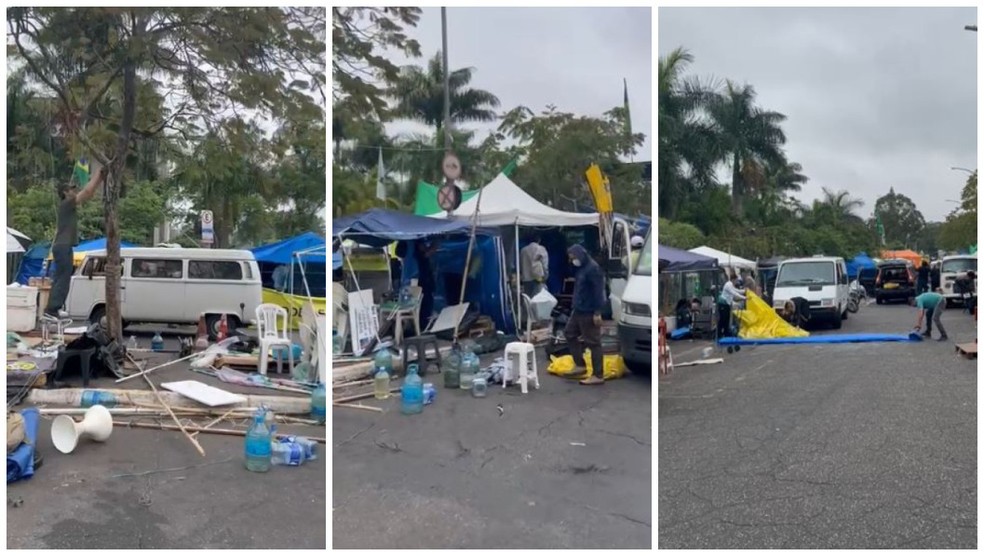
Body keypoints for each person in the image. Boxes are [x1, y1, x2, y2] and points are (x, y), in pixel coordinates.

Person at [45, 165, 107, 319]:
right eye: (71, 190)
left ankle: (53, 308)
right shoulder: (67, 204)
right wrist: (99, 176)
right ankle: (53, 309)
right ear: (65, 193)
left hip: (62, 246)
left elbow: (88, 193)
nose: (74, 192)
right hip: (63, 246)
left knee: (61, 277)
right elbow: (87, 192)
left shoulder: (67, 206)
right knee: (63, 278)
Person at [565, 244, 606, 386]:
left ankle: (598, 375)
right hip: (578, 309)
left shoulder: (593, 269)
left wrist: (597, 312)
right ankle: (580, 365)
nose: (572, 260)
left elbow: (598, 292)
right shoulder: (581, 268)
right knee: (569, 333)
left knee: (593, 342)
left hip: (589, 310)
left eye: (574, 257)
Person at [414, 240, 439, 331]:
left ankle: (424, 325)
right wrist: (436, 243)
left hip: (425, 282)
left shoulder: (419, 255)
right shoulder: (419, 256)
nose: (425, 246)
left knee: (426, 305)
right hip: (423, 283)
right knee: (425, 305)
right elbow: (429, 252)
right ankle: (423, 325)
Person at [716, 274, 746, 338]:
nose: (737, 282)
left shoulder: (731, 285)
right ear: (733, 279)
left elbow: (736, 290)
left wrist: (744, 291)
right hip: (723, 304)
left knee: (727, 319)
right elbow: (734, 293)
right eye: (736, 280)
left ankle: (726, 333)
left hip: (727, 304)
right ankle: (719, 334)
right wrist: (744, 298)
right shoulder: (728, 285)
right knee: (722, 319)